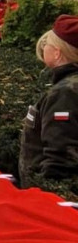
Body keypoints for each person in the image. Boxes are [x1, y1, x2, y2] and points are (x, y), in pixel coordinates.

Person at [19, 15, 78, 184]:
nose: (43, 48)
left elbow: (60, 155)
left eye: (46, 45)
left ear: (58, 53)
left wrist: (45, 191)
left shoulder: (65, 92)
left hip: (47, 197)